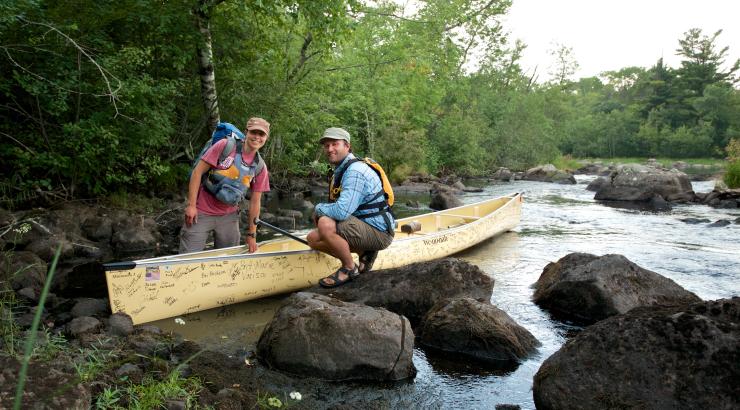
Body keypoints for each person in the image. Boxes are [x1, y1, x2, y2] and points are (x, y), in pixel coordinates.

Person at [307, 127, 395, 288]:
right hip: (364, 226)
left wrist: (318, 209)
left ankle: (349, 268)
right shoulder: (343, 168)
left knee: (325, 223)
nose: (330, 149)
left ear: (347, 146)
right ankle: (365, 253)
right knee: (312, 239)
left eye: (335, 144)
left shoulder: (355, 171)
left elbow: (341, 211)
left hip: (380, 233)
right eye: (327, 146)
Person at [180, 117, 271, 254]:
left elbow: (255, 202)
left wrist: (252, 235)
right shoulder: (226, 146)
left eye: (261, 134)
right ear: (246, 132)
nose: (257, 137)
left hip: (229, 217)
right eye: (254, 132)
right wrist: (191, 206)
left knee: (228, 261)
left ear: (266, 138)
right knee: (187, 259)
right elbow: (197, 172)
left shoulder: (260, 167)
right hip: (201, 212)